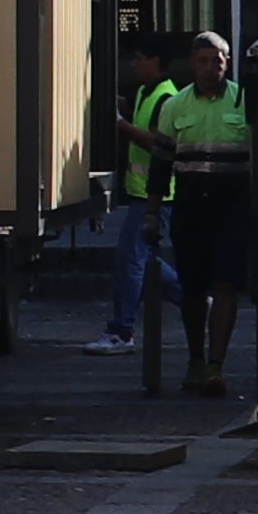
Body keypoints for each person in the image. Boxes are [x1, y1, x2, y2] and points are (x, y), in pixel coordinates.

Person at [149, 34, 256, 378]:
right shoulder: (175, 106)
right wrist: (152, 213)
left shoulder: (245, 101)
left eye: (218, 61)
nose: (211, 68)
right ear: (193, 63)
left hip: (233, 210)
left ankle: (215, 366)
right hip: (191, 209)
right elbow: (161, 163)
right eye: (204, 61)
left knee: (225, 285)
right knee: (193, 288)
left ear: (228, 62)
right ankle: (196, 358)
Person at [82, 28, 172, 352]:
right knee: (146, 263)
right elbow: (127, 104)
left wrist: (120, 125)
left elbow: (156, 142)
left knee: (130, 262)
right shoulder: (148, 92)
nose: (134, 64)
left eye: (139, 59)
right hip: (143, 193)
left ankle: (122, 331)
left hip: (156, 197)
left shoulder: (165, 97)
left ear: (155, 61)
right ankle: (197, 300)